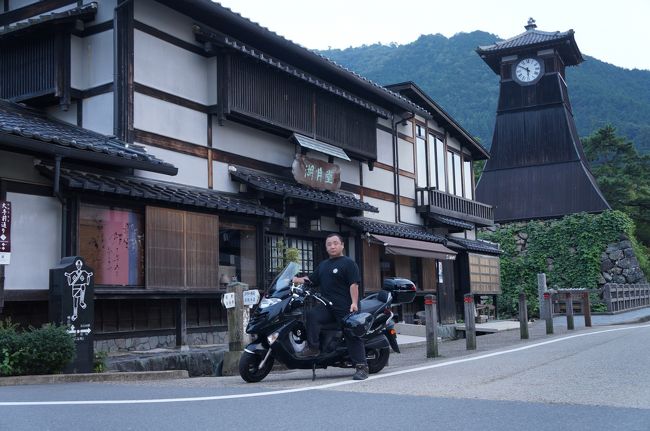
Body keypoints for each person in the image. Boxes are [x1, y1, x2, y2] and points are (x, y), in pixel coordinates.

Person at [292, 233, 369, 380]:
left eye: (335, 243)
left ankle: (362, 367)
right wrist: (295, 279)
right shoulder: (324, 265)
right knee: (312, 315)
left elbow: (354, 284)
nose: (332, 246)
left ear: (342, 245)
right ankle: (313, 347)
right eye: (329, 244)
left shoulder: (348, 263)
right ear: (326, 247)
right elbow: (311, 279)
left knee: (351, 334)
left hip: (346, 307)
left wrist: (354, 303)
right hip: (328, 306)